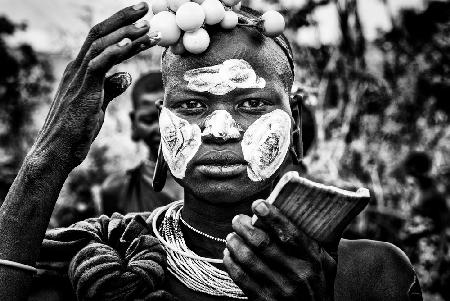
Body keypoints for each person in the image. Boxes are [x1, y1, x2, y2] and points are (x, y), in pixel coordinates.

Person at [0, 3, 422, 300]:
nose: (219, 131)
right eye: (192, 105)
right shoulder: (103, 261)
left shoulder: (374, 274)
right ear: (162, 127)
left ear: (292, 122)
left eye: (252, 104)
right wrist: (48, 156)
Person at [100, 71, 182, 216]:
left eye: (170, 118)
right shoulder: (117, 189)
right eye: (149, 120)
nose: (161, 128)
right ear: (134, 123)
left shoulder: (211, 182)